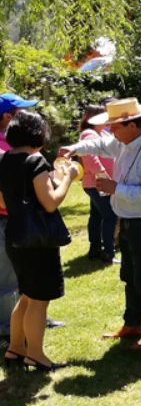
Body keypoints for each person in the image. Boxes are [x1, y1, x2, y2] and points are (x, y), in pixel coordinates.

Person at [61, 98, 141, 349]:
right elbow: (100, 145)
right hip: (130, 221)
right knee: (130, 275)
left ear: (133, 125)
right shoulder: (125, 141)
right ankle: (133, 323)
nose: (111, 132)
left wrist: (116, 188)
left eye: (115, 126)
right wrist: (74, 148)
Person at [0, 111, 77, 370]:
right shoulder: (35, 161)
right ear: (38, 133)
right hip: (37, 240)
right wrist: (67, 177)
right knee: (39, 300)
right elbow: (51, 202)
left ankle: (15, 348)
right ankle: (35, 354)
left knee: (26, 295)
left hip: (15, 234)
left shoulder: (4, 160)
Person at [0, 92, 39, 345]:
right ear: (7, 116)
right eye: (20, 111)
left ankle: (33, 317)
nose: (25, 116)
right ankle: (6, 329)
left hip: (19, 217)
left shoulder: (10, 143)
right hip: (5, 219)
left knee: (28, 273)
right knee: (7, 278)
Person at [78, 105, 117, 264]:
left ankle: (95, 249)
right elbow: (89, 158)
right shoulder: (89, 134)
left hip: (95, 184)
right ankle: (108, 252)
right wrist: (104, 177)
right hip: (98, 184)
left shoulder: (100, 132)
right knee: (109, 216)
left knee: (97, 216)